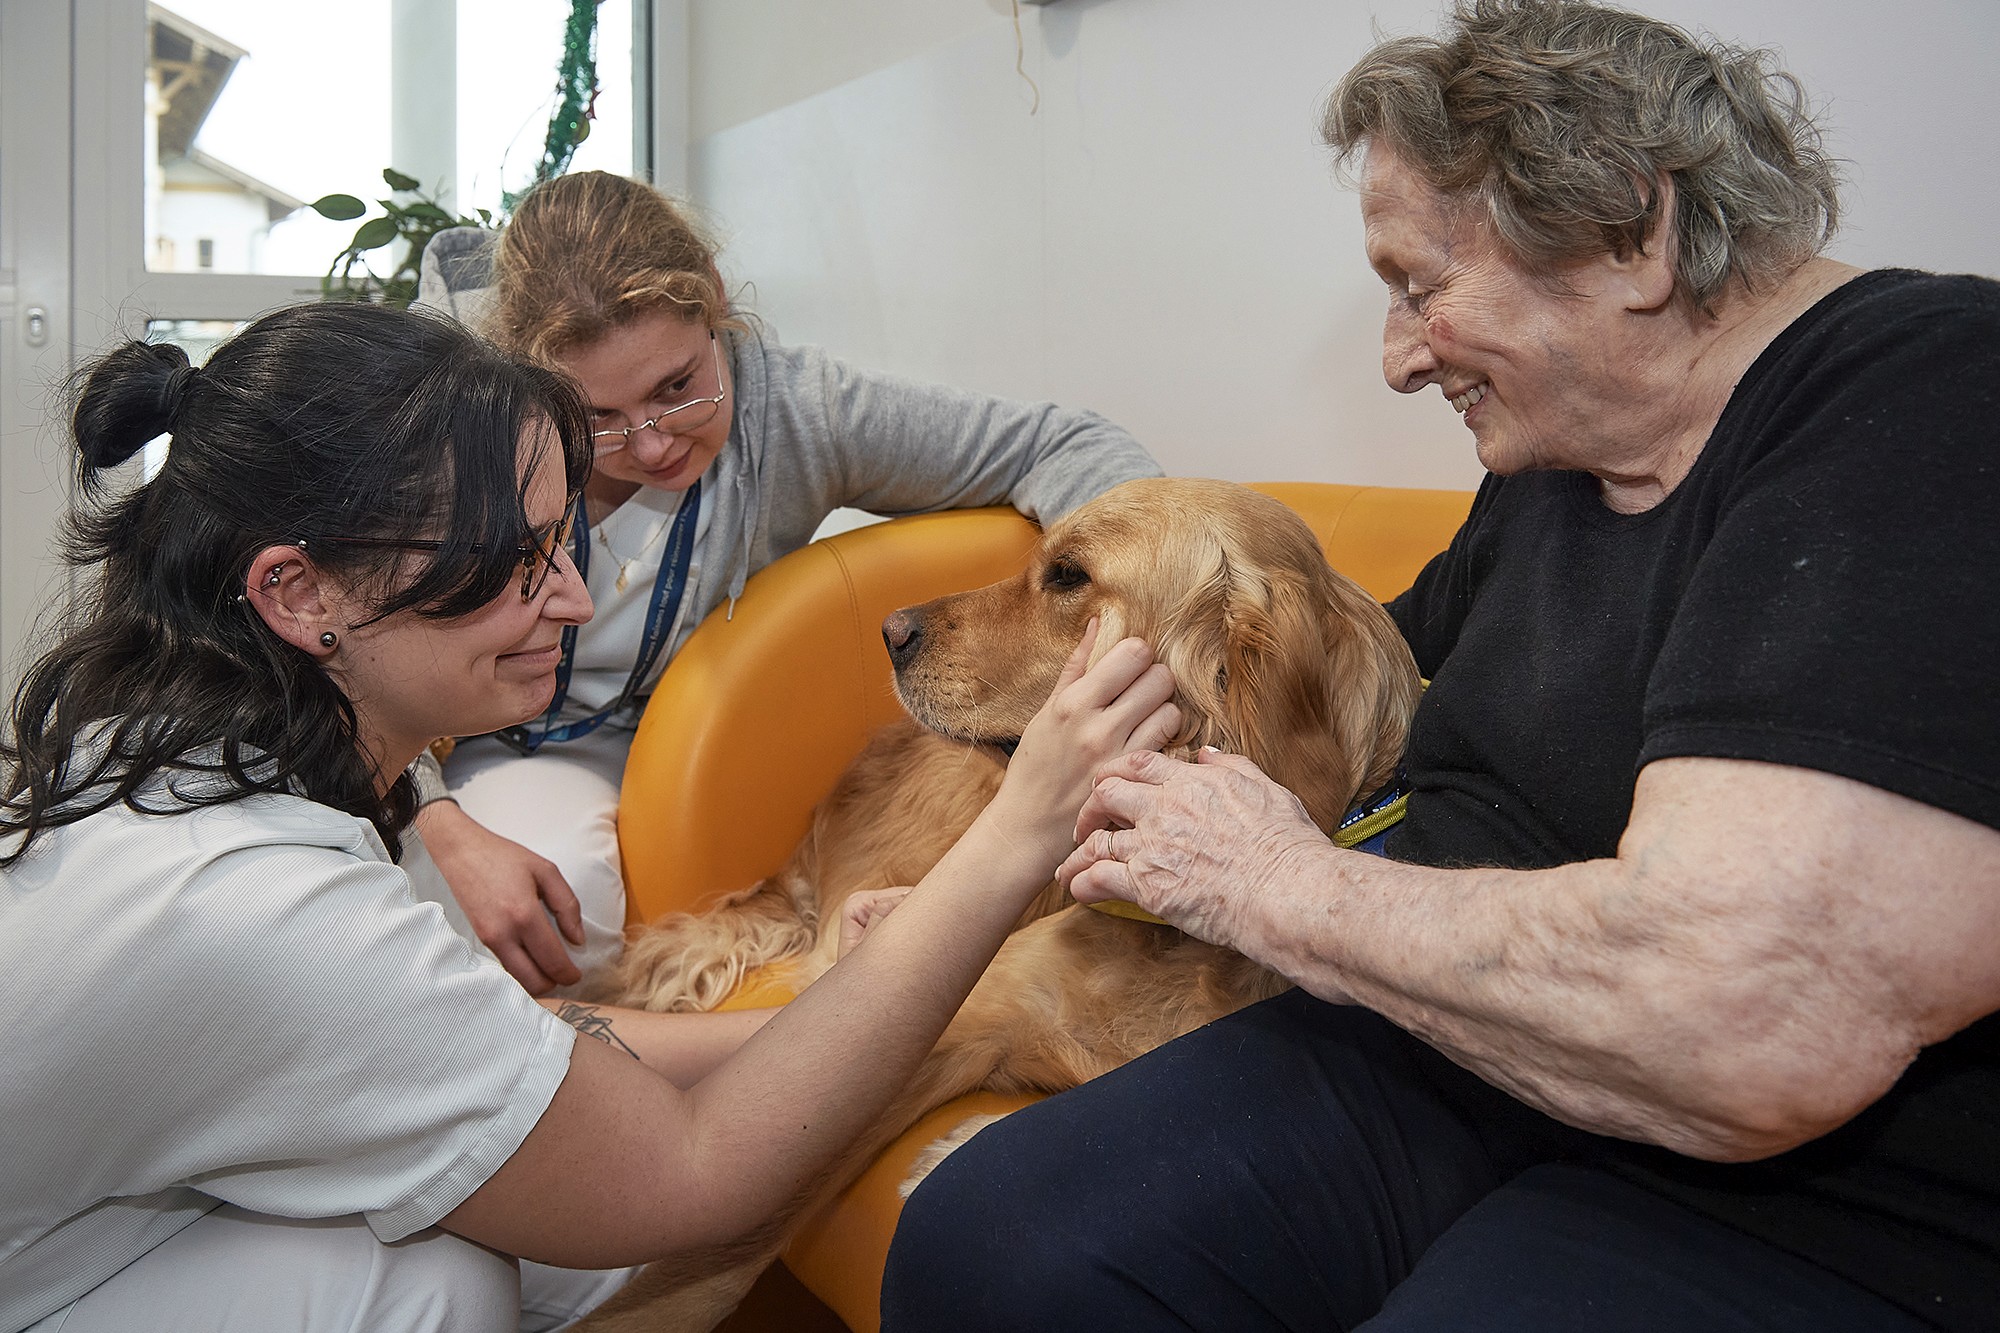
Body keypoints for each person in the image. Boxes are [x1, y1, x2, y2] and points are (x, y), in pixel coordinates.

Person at [880, 3, 2000, 1330]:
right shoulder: (1560, 461)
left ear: (1630, 234)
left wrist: (1283, 885)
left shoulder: (1926, 400)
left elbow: (1740, 1020)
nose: (1402, 356)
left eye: (1422, 287)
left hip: (1798, 1190)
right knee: (989, 1246)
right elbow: (1346, 694)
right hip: (1452, 1046)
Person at [0, 301, 1180, 1332]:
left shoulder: (210, 745)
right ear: (300, 592)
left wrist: (840, 1006)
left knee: (471, 1262)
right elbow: (689, 1175)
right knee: (446, 1288)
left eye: (561, 542)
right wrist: (1021, 824)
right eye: (514, 565)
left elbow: (534, 1049)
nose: (570, 596)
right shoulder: (258, 909)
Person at [410, 170, 1162, 995]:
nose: (654, 446)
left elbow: (1061, 443)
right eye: (597, 419)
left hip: (643, 736)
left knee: (562, 923)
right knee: (472, 904)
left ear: (717, 307)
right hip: (428, 732)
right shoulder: (443, 435)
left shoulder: (796, 412)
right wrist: (433, 819)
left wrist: (1156, 593)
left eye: (676, 388)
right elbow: (337, 661)